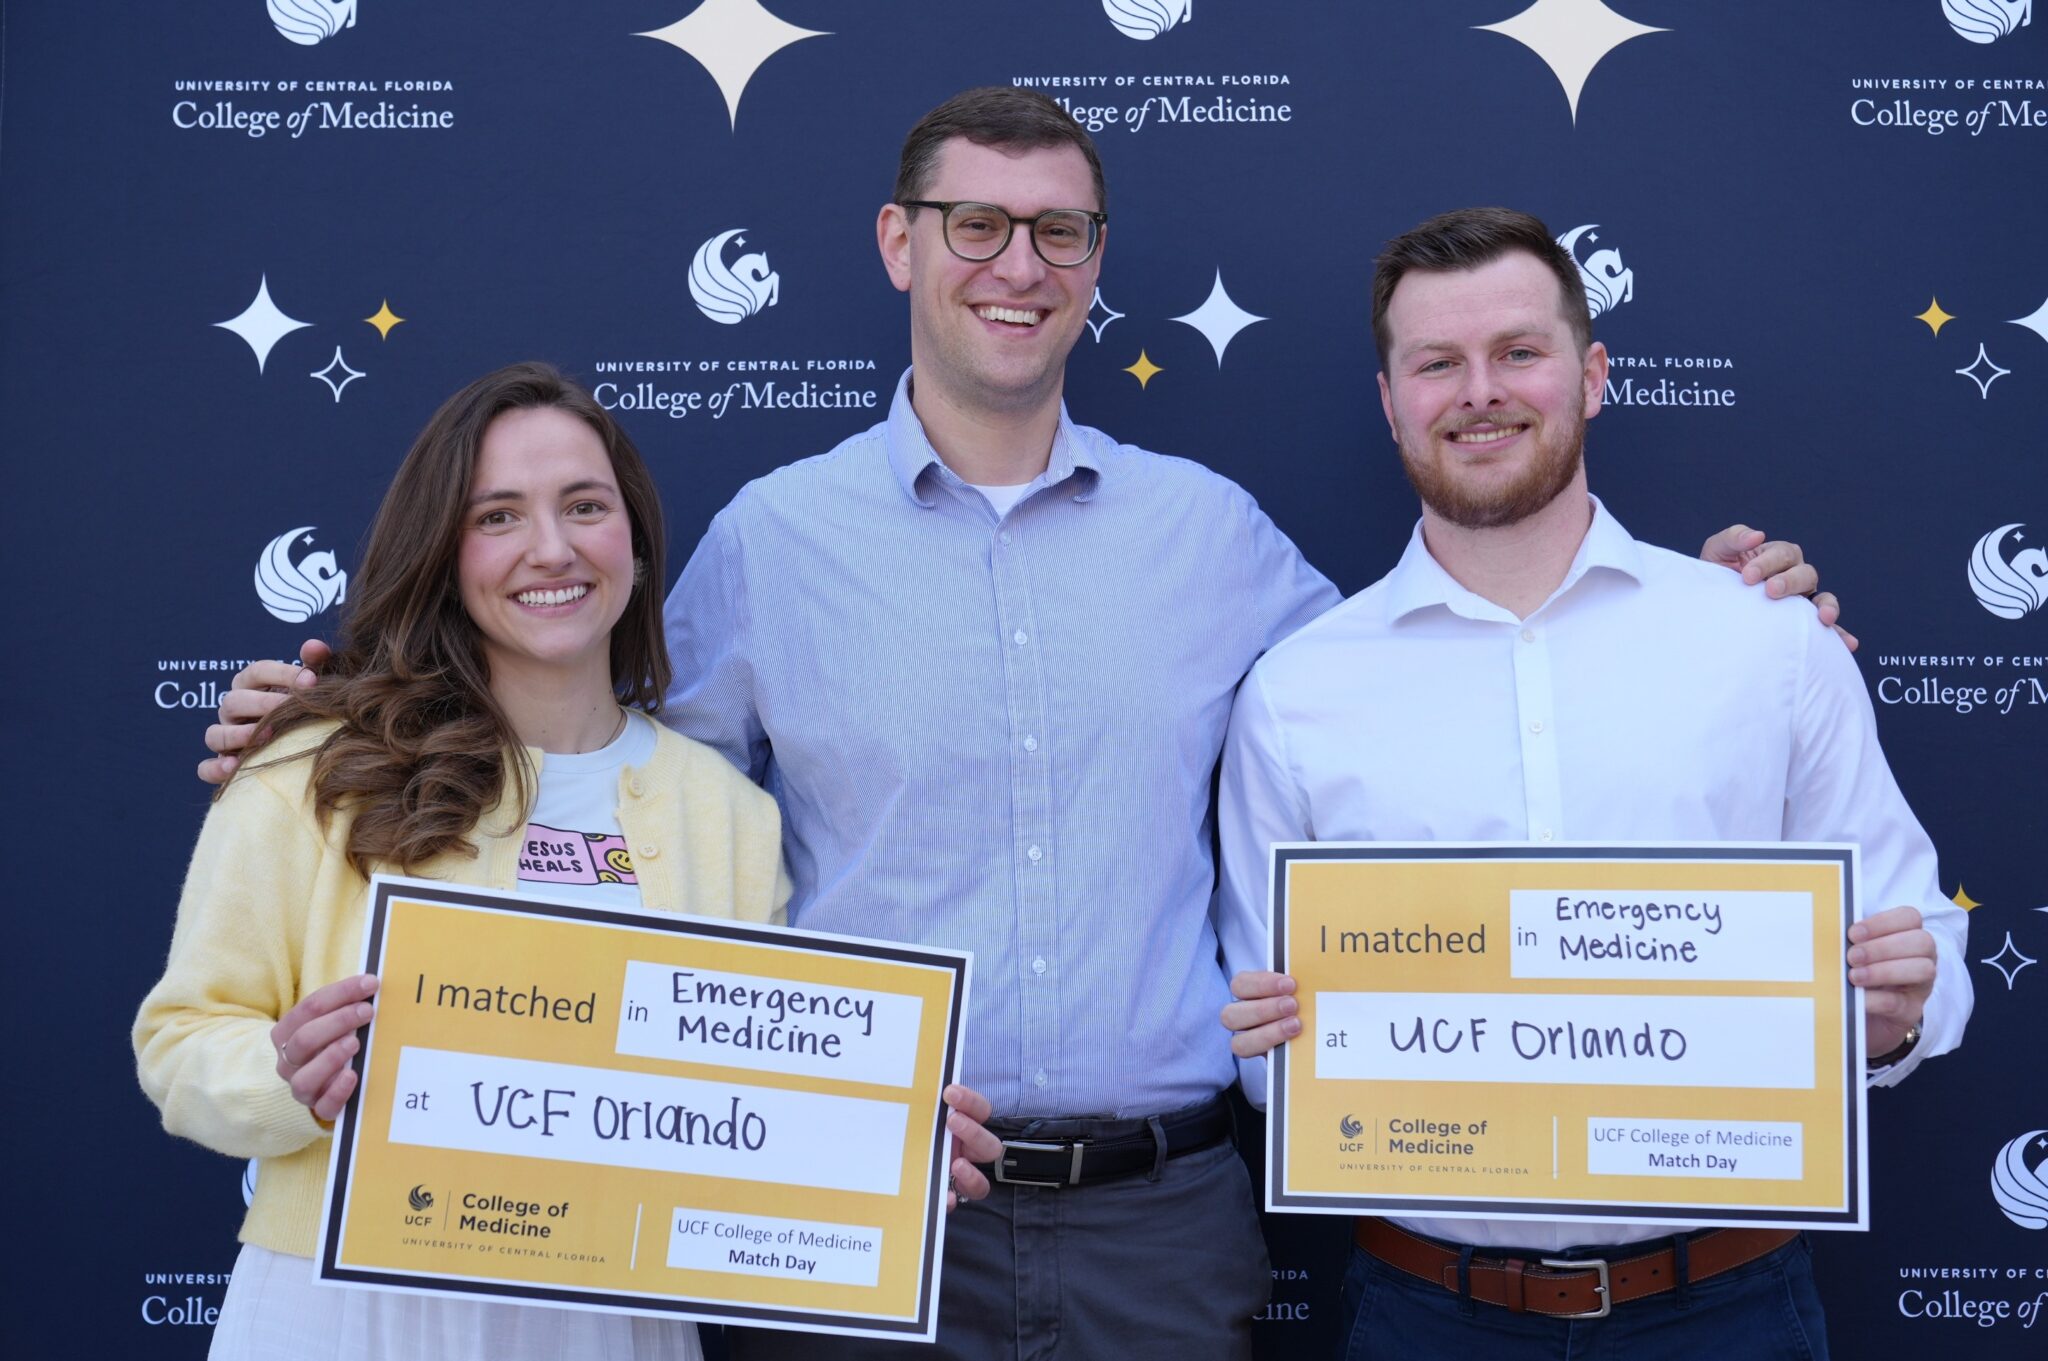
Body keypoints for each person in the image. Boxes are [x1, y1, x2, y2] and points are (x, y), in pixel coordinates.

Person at [198, 94, 1843, 1360]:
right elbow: (593, 747)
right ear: (897, 245)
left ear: (1095, 266)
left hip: (1162, 1222)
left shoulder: (1212, 535)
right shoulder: (772, 540)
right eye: (975, 225)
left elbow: (1441, 670)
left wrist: (1696, 605)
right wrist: (343, 715)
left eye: (1058, 234)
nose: (1018, 267)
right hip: (850, 1207)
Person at [1216, 208, 1971, 1359]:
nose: (1479, 391)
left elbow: (1916, 951)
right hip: (1424, 1316)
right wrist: (1275, 1050)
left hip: (1729, 1306)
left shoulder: (1765, 643)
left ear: (1592, 374)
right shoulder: (1294, 691)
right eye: (1436, 363)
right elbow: (1268, 1053)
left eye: (1518, 352)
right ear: (1389, 399)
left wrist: (1891, 1013)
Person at [136, 363, 1002, 1361]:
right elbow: (182, 1041)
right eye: (497, 515)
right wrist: (287, 1074)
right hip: (350, 1312)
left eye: (583, 505)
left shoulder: (721, 810)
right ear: (445, 552)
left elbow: (736, 1101)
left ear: (631, 534)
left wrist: (875, 1158)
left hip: (612, 1320)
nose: (551, 547)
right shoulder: (316, 766)